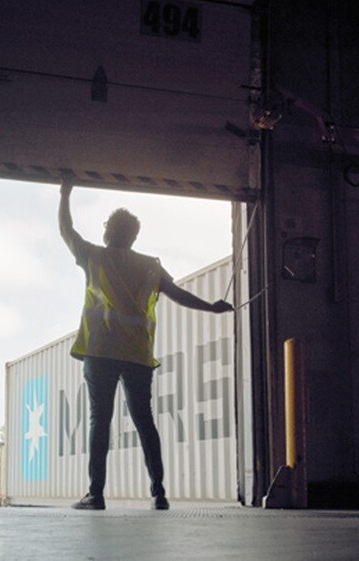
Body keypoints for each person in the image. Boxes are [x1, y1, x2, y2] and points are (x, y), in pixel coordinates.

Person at [58, 179, 233, 511]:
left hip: (102, 351)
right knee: (145, 421)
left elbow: (66, 230)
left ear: (109, 231)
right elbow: (178, 294)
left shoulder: (95, 256)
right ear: (134, 236)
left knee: (100, 420)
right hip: (138, 355)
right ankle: (159, 494)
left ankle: (96, 494)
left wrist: (65, 194)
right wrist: (212, 307)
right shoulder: (151, 266)